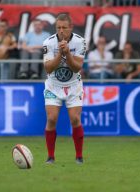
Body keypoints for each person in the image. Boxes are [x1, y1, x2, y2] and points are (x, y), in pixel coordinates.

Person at [43, 13, 86, 164]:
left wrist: (67, 53)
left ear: (71, 27)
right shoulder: (48, 43)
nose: (61, 31)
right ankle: (50, 156)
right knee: (51, 118)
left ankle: (79, 156)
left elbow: (76, 68)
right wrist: (60, 53)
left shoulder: (80, 42)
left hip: (73, 85)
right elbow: (48, 68)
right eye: (58, 28)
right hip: (54, 85)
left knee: (75, 119)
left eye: (64, 28)